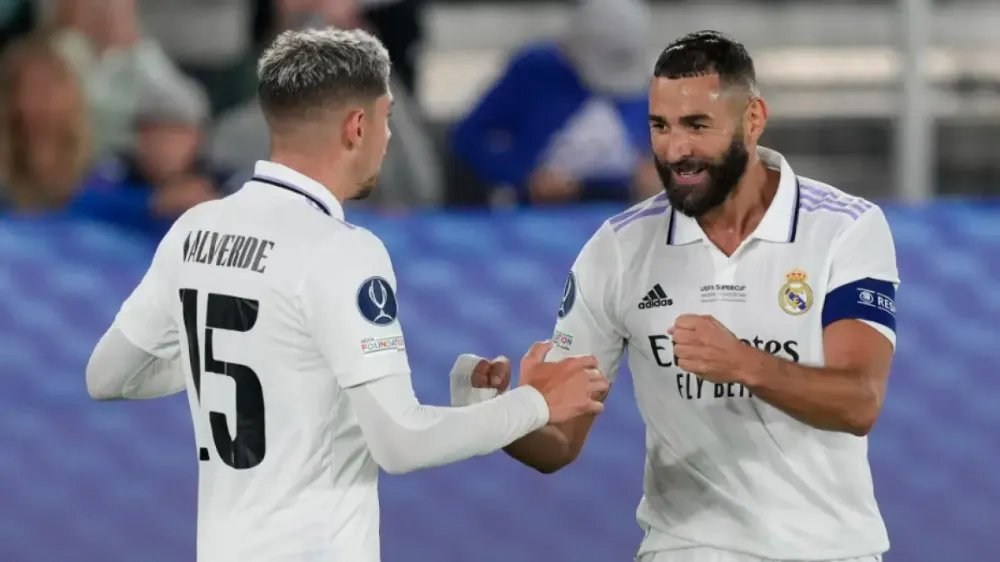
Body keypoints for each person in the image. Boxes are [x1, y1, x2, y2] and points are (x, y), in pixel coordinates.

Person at [84, 28, 608, 562]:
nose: (386, 138)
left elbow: (106, 376)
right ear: (359, 126)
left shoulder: (195, 228)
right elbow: (402, 442)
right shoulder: (340, 251)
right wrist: (536, 403)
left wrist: (260, 354)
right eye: (387, 119)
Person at [452, 31, 898, 562]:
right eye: (659, 127)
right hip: (687, 548)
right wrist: (498, 415)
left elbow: (858, 401)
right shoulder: (617, 249)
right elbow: (560, 444)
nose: (674, 150)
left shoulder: (845, 229)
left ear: (753, 119)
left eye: (696, 126)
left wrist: (743, 363)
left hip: (832, 550)